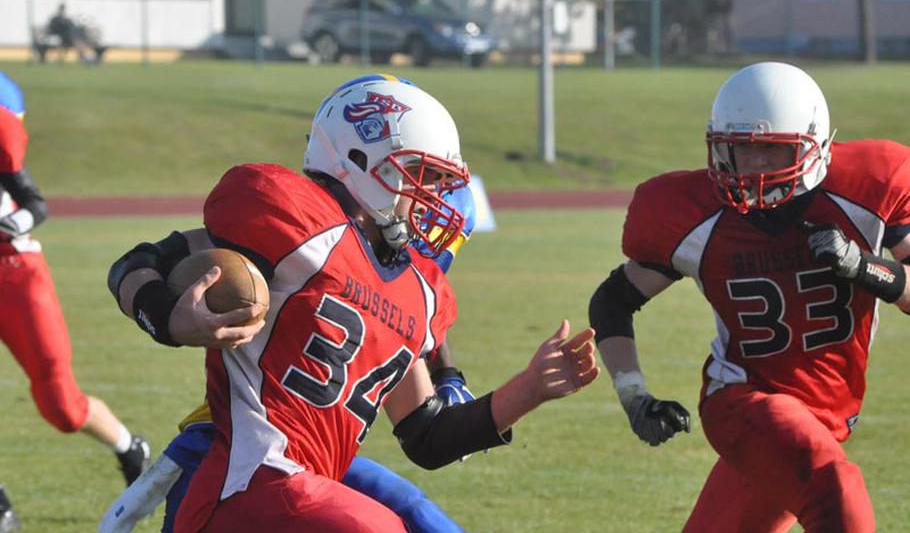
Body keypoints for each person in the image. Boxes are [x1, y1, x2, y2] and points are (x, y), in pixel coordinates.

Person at [108, 74, 600, 532]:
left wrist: (530, 389)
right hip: (249, 481)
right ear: (364, 159)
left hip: (308, 492)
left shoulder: (419, 291)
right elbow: (139, 262)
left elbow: (427, 435)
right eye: (420, 174)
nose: (430, 195)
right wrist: (167, 318)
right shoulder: (297, 220)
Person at [589, 61, 910, 532]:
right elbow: (613, 300)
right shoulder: (690, 213)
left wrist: (863, 266)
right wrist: (634, 395)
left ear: (815, 145)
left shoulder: (870, 185)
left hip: (823, 415)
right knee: (834, 486)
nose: (755, 166)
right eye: (742, 150)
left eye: (773, 152)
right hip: (743, 397)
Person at [100, 184, 479, 533]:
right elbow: (142, 260)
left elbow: (424, 351)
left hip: (311, 463)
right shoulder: (309, 246)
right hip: (240, 449)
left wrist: (450, 378)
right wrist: (165, 317)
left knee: (415, 510)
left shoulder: (409, 289)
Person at [0, 73, 150, 532]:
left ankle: (129, 447)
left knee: (61, 405)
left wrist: (10, 223)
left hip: (13, 270)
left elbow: (35, 203)